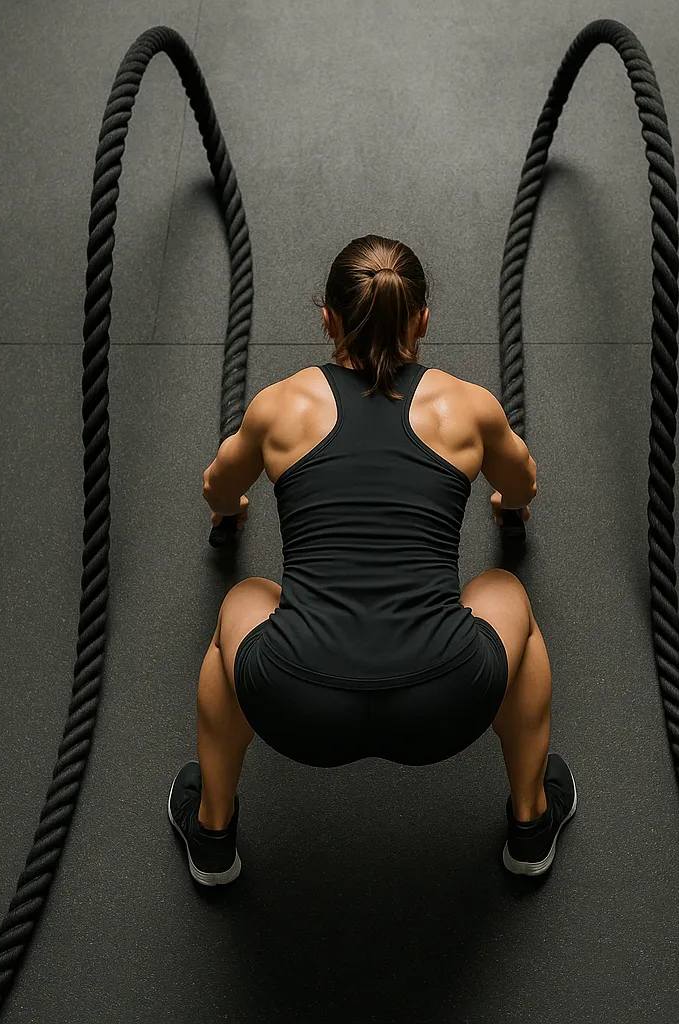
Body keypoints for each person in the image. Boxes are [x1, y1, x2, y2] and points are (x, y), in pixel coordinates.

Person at [167, 234, 577, 886]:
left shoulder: (281, 406)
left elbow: (217, 485)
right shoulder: (468, 408)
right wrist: (504, 502)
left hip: (301, 706)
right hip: (440, 705)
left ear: (326, 319)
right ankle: (530, 826)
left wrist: (233, 508)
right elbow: (523, 484)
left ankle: (213, 836)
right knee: (504, 592)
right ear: (422, 319)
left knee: (243, 603)